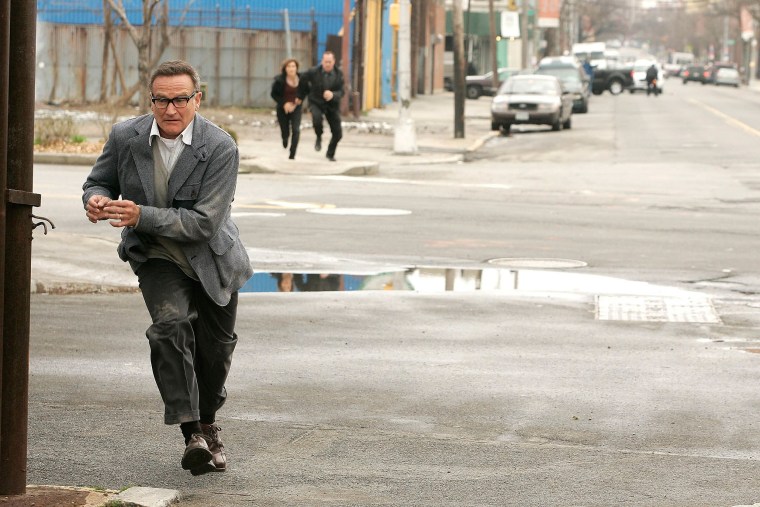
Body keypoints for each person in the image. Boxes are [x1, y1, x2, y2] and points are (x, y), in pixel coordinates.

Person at [82, 60, 253, 476]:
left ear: (197, 99)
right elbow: (98, 180)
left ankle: (208, 423)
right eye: (161, 99)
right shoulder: (128, 136)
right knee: (170, 326)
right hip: (156, 256)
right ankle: (193, 433)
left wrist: (141, 215)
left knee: (215, 352)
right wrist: (96, 200)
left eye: (180, 99)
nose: (170, 108)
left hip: (212, 258)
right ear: (152, 99)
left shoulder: (220, 147)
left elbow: (204, 223)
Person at [299, 51, 344, 162]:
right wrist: (303, 94)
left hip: (332, 105)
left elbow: (342, 91)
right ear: (322, 62)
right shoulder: (314, 72)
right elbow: (302, 78)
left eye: (330, 62)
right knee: (317, 119)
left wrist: (333, 95)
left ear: (333, 62)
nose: (327, 64)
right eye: (325, 62)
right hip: (316, 102)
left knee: (338, 133)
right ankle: (319, 137)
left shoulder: (339, 74)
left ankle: (330, 154)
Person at [270, 58, 303, 160]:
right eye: (289, 66)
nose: (291, 69)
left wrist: (300, 98)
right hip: (282, 108)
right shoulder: (279, 80)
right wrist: (284, 103)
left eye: (293, 66)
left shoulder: (302, 79)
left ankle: (292, 153)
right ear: (285, 68)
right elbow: (273, 94)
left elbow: (306, 90)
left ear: (296, 68)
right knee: (285, 130)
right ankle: (285, 138)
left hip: (296, 108)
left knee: (296, 130)